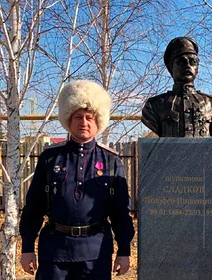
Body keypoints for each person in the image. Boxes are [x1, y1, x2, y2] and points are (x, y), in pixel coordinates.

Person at [19, 80, 135, 279]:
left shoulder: (111, 160)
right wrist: (27, 247)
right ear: (68, 120)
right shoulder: (51, 158)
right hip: (55, 252)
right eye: (78, 117)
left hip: (95, 254)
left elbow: (120, 212)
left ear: (98, 121)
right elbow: (34, 206)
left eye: (89, 117)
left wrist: (124, 251)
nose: (84, 122)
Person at [141, 36, 212, 137]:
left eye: (193, 61)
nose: (188, 66)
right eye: (182, 62)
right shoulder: (154, 105)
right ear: (171, 67)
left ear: (197, 67)